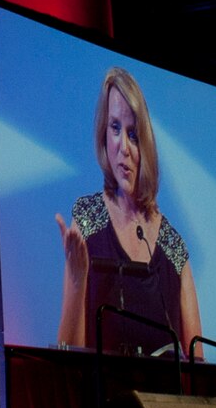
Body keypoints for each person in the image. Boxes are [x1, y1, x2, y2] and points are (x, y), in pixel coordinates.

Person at [55, 67, 202, 356]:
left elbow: (198, 361)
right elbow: (67, 359)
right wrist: (76, 279)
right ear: (103, 135)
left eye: (133, 134)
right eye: (115, 128)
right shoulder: (87, 220)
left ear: (146, 145)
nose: (123, 147)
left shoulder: (173, 247)